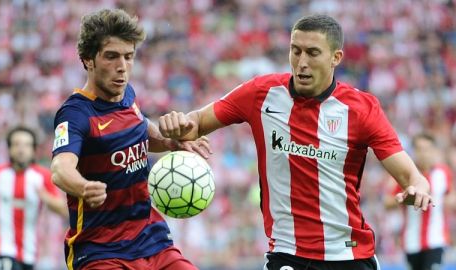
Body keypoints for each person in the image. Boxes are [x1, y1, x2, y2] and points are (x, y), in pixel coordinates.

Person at [158, 14, 433, 270]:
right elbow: (195, 123)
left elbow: (410, 175)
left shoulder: (361, 109)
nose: (301, 62)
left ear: (336, 57)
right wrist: (177, 124)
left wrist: (418, 187)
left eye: (313, 53)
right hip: (287, 253)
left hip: (349, 253)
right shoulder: (260, 93)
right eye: (295, 50)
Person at [50, 8, 210, 270]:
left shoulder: (127, 95)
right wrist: (83, 186)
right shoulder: (75, 114)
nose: (122, 67)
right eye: (111, 57)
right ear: (88, 60)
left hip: (152, 240)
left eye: (128, 57)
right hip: (101, 251)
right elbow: (60, 168)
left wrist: (171, 143)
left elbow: (140, 129)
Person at [0, 126, 68, 270]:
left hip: (30, 252)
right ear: (9, 149)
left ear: (33, 150)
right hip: (3, 250)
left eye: (26, 145)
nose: (21, 149)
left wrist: (45, 197)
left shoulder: (41, 176)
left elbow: (63, 210)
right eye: (16, 144)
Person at [385, 133, 454, 270]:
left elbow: (451, 195)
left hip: (436, 241)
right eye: (419, 149)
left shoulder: (443, 173)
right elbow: (387, 202)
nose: (423, 154)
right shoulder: (406, 175)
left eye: (427, 149)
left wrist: (450, 201)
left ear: (434, 151)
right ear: (414, 152)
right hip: (411, 243)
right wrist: (403, 199)